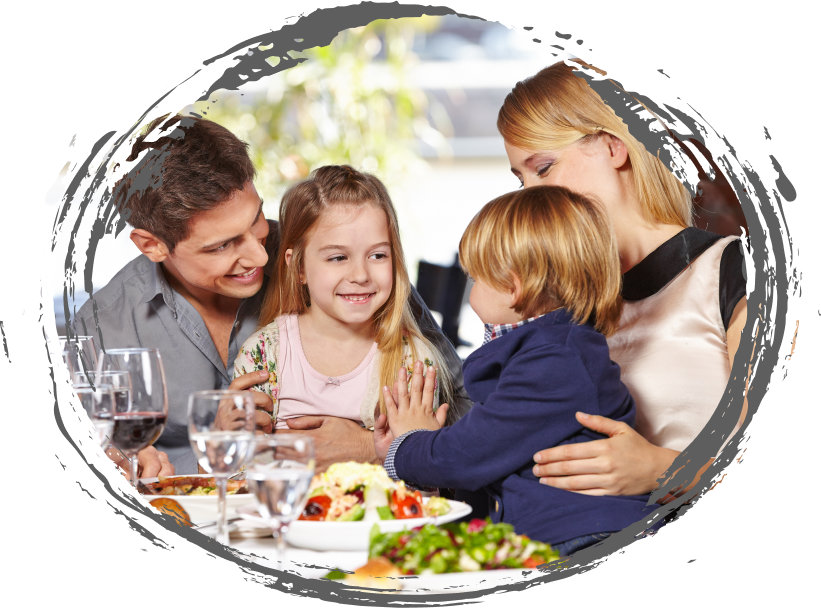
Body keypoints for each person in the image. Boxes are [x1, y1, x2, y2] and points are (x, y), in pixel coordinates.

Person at [72, 115, 470, 475]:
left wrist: (372, 446)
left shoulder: (337, 260)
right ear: (153, 246)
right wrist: (195, 456)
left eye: (257, 219)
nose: (263, 255)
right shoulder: (103, 329)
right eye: (223, 246)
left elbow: (467, 407)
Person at [495, 60, 749, 498]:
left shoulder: (736, 272)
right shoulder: (564, 309)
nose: (532, 197)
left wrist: (661, 471)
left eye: (544, 168)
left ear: (613, 147)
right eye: (521, 180)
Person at [374, 186, 660, 555]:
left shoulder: (557, 362)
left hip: (588, 537)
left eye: (475, 278)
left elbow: (468, 456)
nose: (472, 289)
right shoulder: (543, 354)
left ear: (512, 287)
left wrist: (405, 447)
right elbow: (495, 448)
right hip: (554, 536)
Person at [234, 165, 454, 453]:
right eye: (338, 257)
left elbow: (424, 476)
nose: (360, 275)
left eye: (378, 255)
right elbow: (238, 474)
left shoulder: (413, 360)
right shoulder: (264, 354)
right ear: (298, 266)